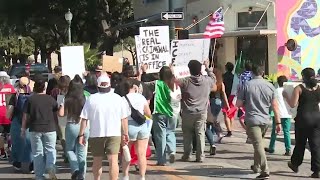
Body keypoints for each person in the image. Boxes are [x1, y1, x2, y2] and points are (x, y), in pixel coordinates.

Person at [78, 74, 129, 180]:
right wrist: (125, 133)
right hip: (114, 133)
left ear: (98, 86)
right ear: (110, 85)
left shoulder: (91, 99)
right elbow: (124, 119)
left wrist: (81, 134)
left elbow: (84, 118)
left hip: (96, 134)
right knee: (113, 160)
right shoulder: (118, 99)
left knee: (97, 161)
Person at [236, 64, 281, 179]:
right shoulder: (270, 86)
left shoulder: (246, 85)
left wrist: (247, 103)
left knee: (258, 145)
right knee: (258, 144)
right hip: (265, 120)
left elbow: (238, 104)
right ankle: (256, 166)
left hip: (252, 119)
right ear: (262, 73)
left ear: (252, 73)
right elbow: (275, 105)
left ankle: (265, 169)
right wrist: (278, 122)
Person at [283, 68, 320, 178]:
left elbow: (293, 104)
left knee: (300, 143)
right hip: (316, 118)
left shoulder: (299, 88)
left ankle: (295, 163)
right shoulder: (318, 88)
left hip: (303, 119)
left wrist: (286, 96)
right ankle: (317, 170)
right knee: (316, 145)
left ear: (303, 77)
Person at [178, 60, 216, 162]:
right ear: (200, 70)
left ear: (189, 69)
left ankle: (187, 155)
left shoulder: (185, 81)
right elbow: (213, 78)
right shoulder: (207, 81)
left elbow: (175, 81)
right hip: (202, 112)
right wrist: (207, 68)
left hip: (187, 112)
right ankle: (200, 156)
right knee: (200, 134)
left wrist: (172, 70)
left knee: (187, 134)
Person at [21, 78, 59, 180]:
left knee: (37, 153)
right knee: (50, 150)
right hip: (50, 128)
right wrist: (57, 126)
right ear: (44, 88)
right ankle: (50, 167)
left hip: (35, 128)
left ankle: (39, 176)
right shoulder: (51, 99)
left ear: (35, 87)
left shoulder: (30, 99)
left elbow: (25, 116)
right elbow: (55, 115)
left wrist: (23, 129)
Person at [145, 66, 182, 165]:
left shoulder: (157, 83)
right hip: (173, 113)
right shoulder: (176, 84)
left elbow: (143, 84)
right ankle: (172, 150)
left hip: (160, 112)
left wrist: (143, 73)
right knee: (170, 132)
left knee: (160, 136)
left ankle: (161, 160)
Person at [121, 79, 152, 180]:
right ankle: (142, 177)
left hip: (129, 126)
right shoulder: (141, 97)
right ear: (133, 87)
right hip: (142, 126)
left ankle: (125, 176)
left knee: (126, 152)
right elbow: (148, 113)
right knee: (141, 154)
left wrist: (123, 132)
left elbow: (122, 117)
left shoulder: (122, 99)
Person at [59, 79, 89, 180]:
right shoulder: (85, 97)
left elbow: (61, 114)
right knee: (82, 152)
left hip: (71, 125)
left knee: (70, 150)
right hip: (84, 126)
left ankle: (75, 169)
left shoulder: (66, 98)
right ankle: (82, 175)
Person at [7, 77, 33, 172]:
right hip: (31, 123)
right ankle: (32, 164)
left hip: (17, 121)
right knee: (31, 143)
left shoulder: (15, 96)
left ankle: (17, 163)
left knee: (17, 142)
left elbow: (9, 113)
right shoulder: (33, 96)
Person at [265, 76, 292, 156]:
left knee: (274, 131)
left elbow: (272, 103)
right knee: (286, 132)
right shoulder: (288, 91)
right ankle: (288, 149)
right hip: (287, 114)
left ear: (278, 82)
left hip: (277, 114)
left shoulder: (275, 91)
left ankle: (271, 147)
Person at [207, 68, 230, 155]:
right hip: (219, 102)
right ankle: (216, 134)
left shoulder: (211, 83)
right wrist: (227, 105)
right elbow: (223, 94)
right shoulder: (221, 83)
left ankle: (214, 136)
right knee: (214, 119)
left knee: (210, 121)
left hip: (212, 101)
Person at [0, 71, 16, 160]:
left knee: (1, 134)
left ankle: (2, 152)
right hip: (8, 112)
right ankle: (10, 148)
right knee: (10, 133)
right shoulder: (10, 88)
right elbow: (14, 101)